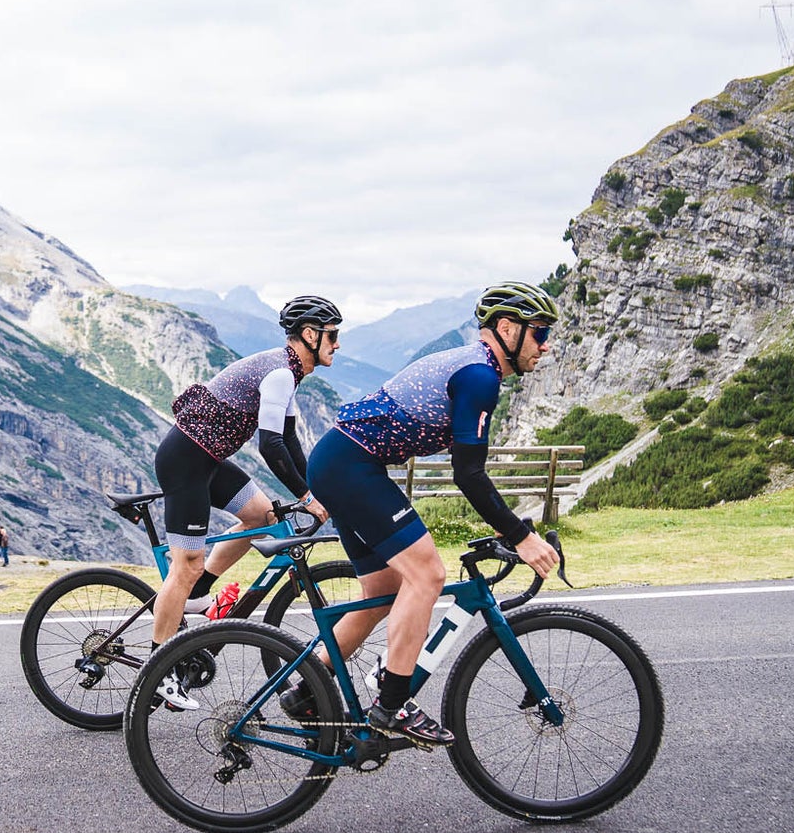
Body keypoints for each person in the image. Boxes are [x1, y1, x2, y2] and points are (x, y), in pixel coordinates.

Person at [300, 280, 562, 746]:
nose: (545, 346)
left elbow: (468, 473)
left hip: (343, 462)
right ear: (507, 328)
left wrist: (511, 530)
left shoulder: (475, 368)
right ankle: (392, 704)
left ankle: (305, 692)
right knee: (427, 575)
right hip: (350, 465)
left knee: (383, 591)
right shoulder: (480, 376)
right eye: (540, 333)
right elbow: (470, 475)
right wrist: (522, 535)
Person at [149, 295, 342, 709]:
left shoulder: (289, 372)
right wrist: (306, 497)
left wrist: (313, 492)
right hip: (186, 462)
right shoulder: (279, 373)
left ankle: (200, 592)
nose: (337, 344)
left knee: (262, 516)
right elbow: (270, 446)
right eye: (332, 335)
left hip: (208, 459)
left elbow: (290, 441)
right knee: (184, 566)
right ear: (309, 336)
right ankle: (159, 669)